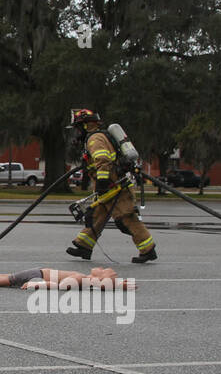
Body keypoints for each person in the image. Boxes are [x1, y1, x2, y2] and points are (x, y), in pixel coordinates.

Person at [66, 109, 158, 263]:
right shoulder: (95, 137)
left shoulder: (95, 139)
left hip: (115, 186)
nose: (76, 132)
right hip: (109, 186)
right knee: (97, 216)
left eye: (77, 127)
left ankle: (148, 250)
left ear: (87, 126)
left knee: (127, 218)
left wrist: (102, 181)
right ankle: (84, 247)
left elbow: (103, 159)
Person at [0, 266, 137, 289]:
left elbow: (58, 285)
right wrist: (123, 285)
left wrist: (37, 285)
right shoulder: (86, 279)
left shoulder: (81, 279)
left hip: (38, 275)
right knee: (8, 276)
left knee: (9, 280)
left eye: (102, 270)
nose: (100, 267)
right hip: (39, 273)